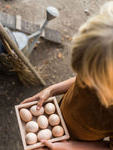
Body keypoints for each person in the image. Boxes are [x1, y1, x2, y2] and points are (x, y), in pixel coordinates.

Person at [21, 1, 113, 150]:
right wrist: (53, 90)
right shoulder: (102, 52)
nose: (87, 81)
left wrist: (69, 147)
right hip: (63, 115)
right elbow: (80, 80)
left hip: (81, 142)